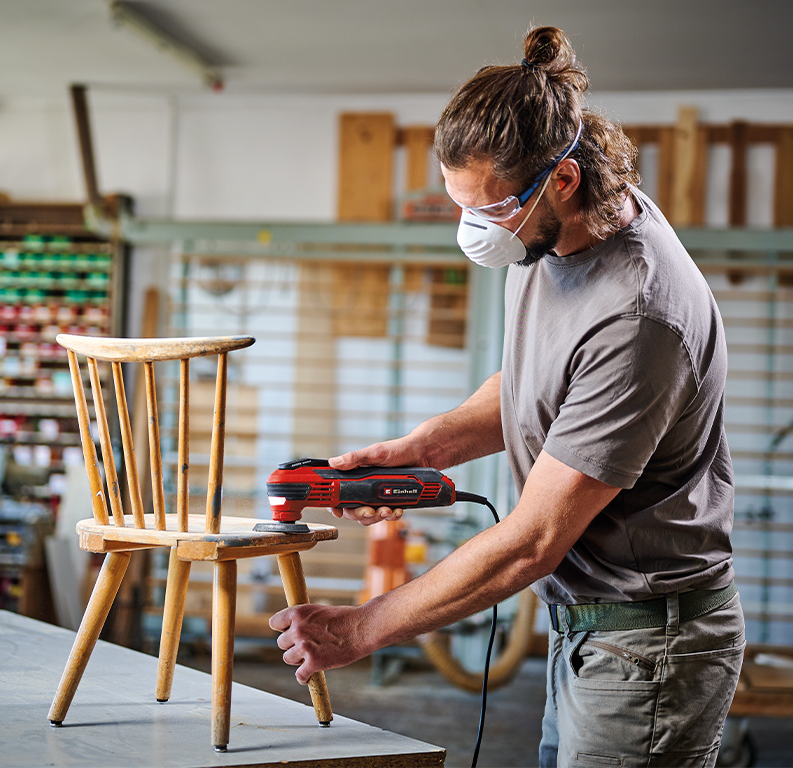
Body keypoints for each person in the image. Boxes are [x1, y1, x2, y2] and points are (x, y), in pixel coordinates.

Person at [269, 25, 744, 767]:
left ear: (564, 179)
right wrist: (427, 447)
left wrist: (364, 628)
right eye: (462, 205)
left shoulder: (638, 314)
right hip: (584, 626)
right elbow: (542, 379)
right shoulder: (549, 235)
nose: (475, 229)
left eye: (489, 210)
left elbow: (531, 540)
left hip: (648, 645)